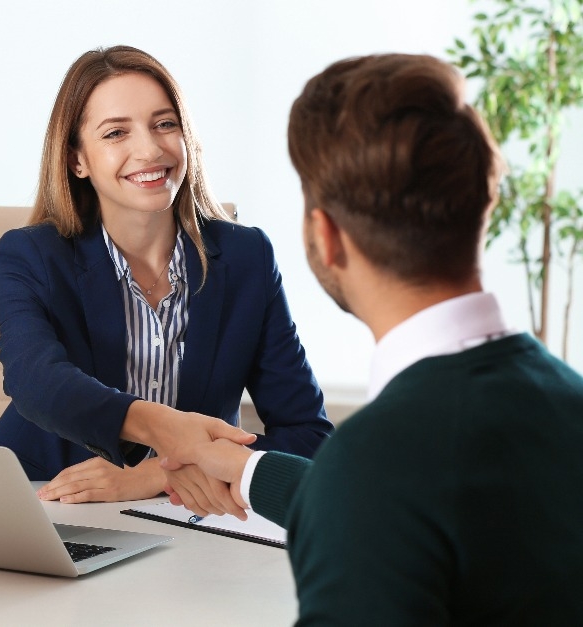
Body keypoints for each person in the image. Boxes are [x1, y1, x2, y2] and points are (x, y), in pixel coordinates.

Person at [167, 53, 583, 622]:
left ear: (327, 236)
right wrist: (248, 471)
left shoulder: (377, 468)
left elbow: (384, 494)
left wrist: (345, 488)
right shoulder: (565, 400)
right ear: (482, 205)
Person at [0, 45, 332, 505]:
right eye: (115, 133)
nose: (148, 149)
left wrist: (155, 475)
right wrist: (163, 426)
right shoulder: (29, 256)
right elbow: (37, 381)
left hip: (185, 515)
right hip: (41, 500)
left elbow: (308, 435)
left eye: (165, 124)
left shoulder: (247, 257)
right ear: (76, 160)